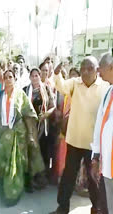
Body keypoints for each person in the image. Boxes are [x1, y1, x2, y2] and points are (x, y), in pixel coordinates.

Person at [49, 56, 110, 214]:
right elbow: (61, 86)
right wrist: (57, 74)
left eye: (89, 68)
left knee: (93, 180)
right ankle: (62, 207)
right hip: (74, 141)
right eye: (82, 68)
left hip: (93, 144)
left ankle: (96, 208)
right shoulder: (75, 83)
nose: (85, 72)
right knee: (68, 177)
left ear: (97, 70)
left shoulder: (105, 86)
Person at [0, 69, 42, 206]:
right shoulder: (0, 96)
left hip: (18, 133)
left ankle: (12, 192)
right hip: (2, 133)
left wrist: (31, 134)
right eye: (6, 77)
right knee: (5, 161)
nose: (8, 79)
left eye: (10, 77)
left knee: (18, 162)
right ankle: (7, 185)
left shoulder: (21, 95)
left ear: (15, 79)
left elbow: (29, 114)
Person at [23, 68, 55, 185]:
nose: (35, 78)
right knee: (31, 151)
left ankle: (41, 178)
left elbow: (53, 106)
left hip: (43, 126)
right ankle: (30, 179)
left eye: (37, 75)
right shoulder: (25, 90)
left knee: (43, 151)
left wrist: (46, 114)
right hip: (30, 126)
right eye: (33, 76)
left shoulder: (46, 89)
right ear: (30, 77)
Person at [91, 52, 113, 214]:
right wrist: (96, 156)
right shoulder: (108, 92)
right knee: (106, 205)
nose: (99, 71)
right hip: (107, 166)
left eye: (101, 67)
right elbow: (100, 125)